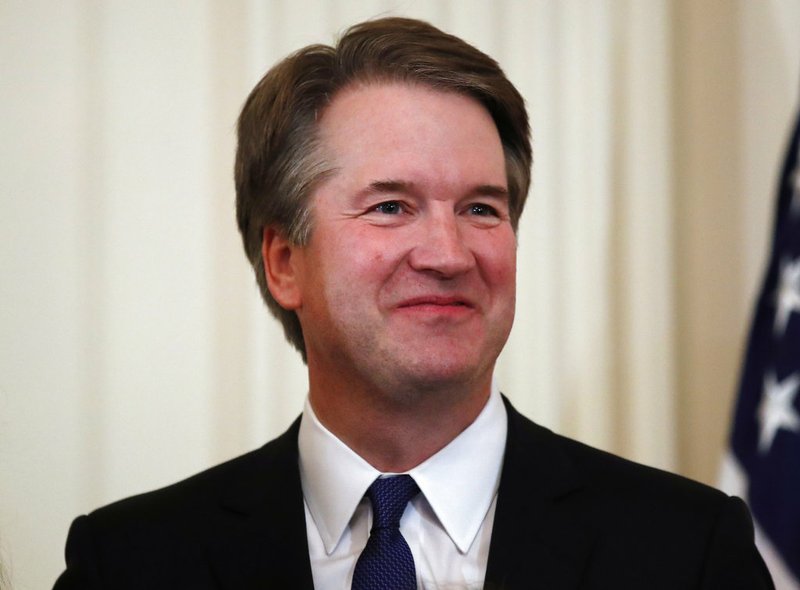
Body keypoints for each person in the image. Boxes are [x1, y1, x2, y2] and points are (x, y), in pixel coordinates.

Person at [54, 17, 773, 589]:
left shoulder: (687, 553)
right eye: (393, 206)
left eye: (482, 210)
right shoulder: (132, 563)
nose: (449, 253)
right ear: (283, 263)